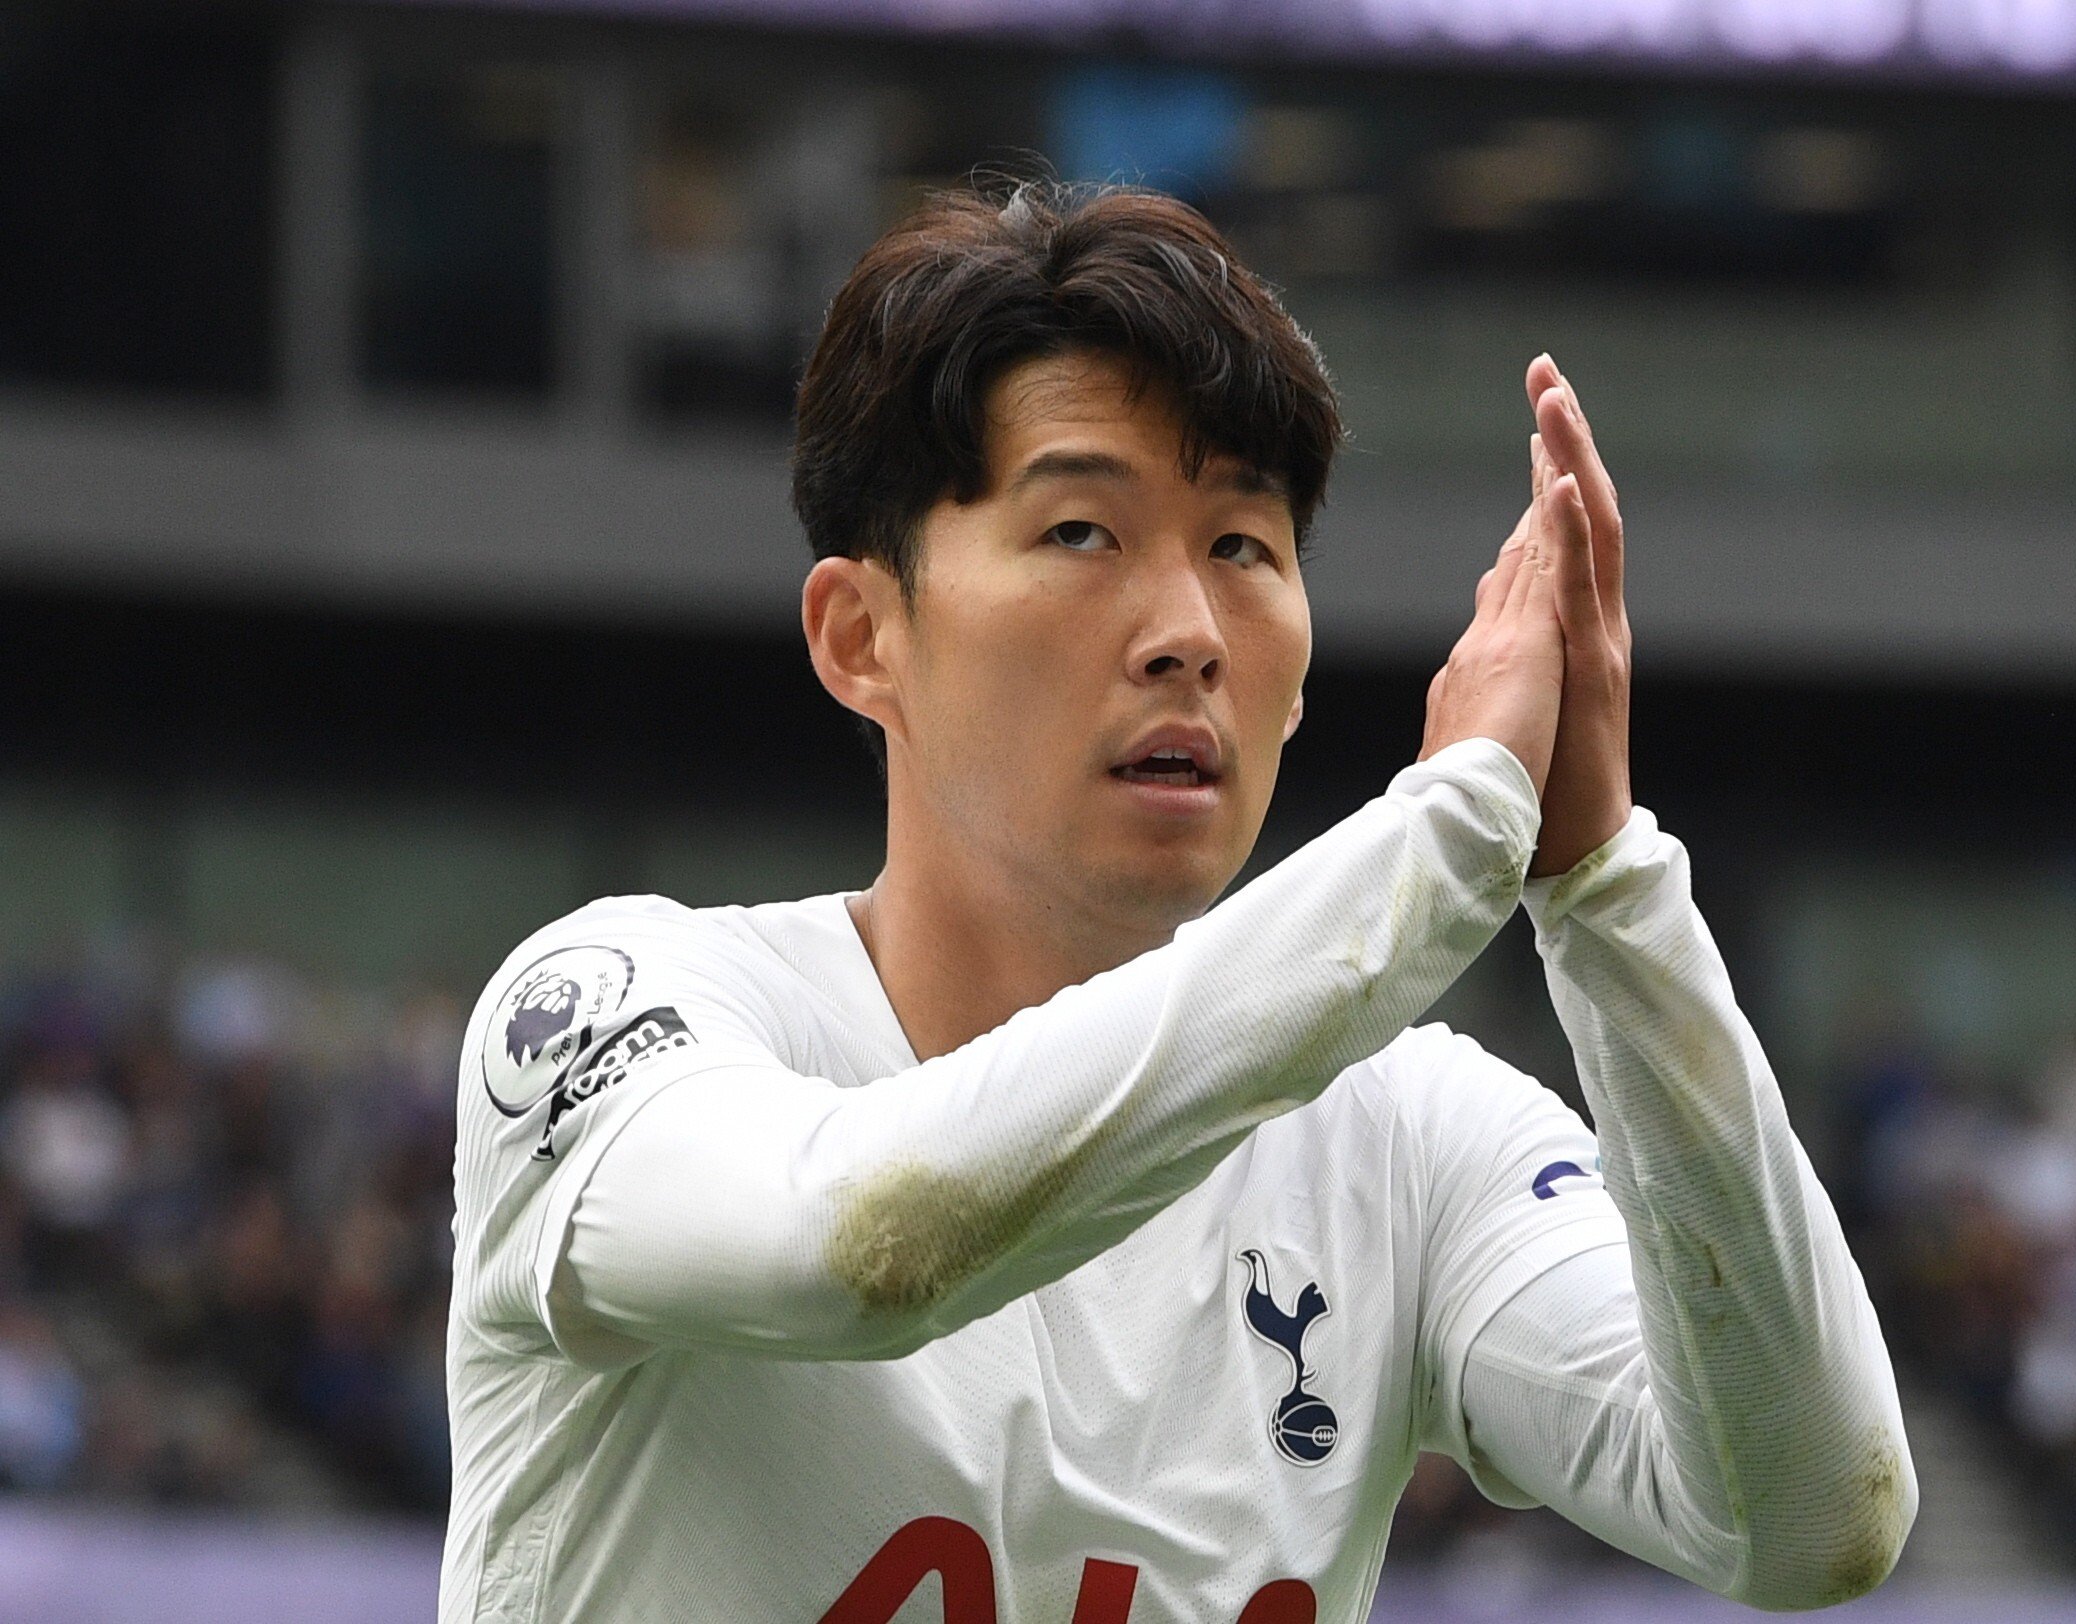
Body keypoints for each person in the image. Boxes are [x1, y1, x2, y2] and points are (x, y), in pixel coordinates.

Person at [439, 180, 1915, 1624]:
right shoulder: (611, 1014)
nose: (1190, 635)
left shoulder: (1409, 1141)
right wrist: (1446, 832)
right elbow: (857, 1245)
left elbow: (1805, 1524)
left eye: (1243, 548)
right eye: (1082, 532)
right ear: (860, 635)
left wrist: (1600, 883)